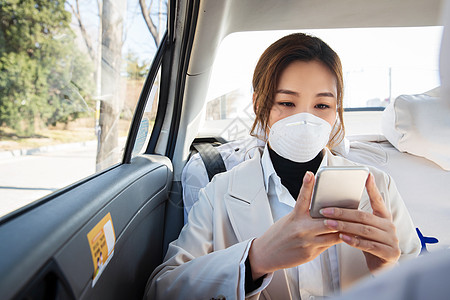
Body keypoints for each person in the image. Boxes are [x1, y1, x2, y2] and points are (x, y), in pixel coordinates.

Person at [145, 33, 420, 300]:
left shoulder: (378, 186)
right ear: (259, 105)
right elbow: (162, 290)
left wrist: (387, 271)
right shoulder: (219, 193)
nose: (305, 119)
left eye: (322, 105)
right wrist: (255, 259)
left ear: (336, 110)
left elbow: (423, 281)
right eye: (287, 103)